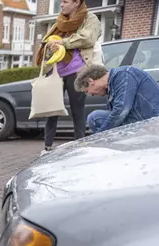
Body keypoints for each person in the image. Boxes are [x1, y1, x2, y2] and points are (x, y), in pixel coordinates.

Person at [35, 0, 102, 155]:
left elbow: (87, 39)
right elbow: (49, 43)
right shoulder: (60, 21)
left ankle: (79, 147)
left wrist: (62, 43)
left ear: (76, 2)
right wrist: (49, 46)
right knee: (52, 110)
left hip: (77, 71)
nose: (62, 4)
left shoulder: (89, 19)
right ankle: (47, 148)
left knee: (77, 110)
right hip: (56, 71)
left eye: (65, 1)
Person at [74, 64, 159, 133]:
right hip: (140, 120)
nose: (90, 94)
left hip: (154, 121)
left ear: (91, 81)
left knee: (95, 118)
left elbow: (121, 110)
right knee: (96, 117)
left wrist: (98, 136)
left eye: (87, 91)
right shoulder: (112, 86)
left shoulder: (124, 74)